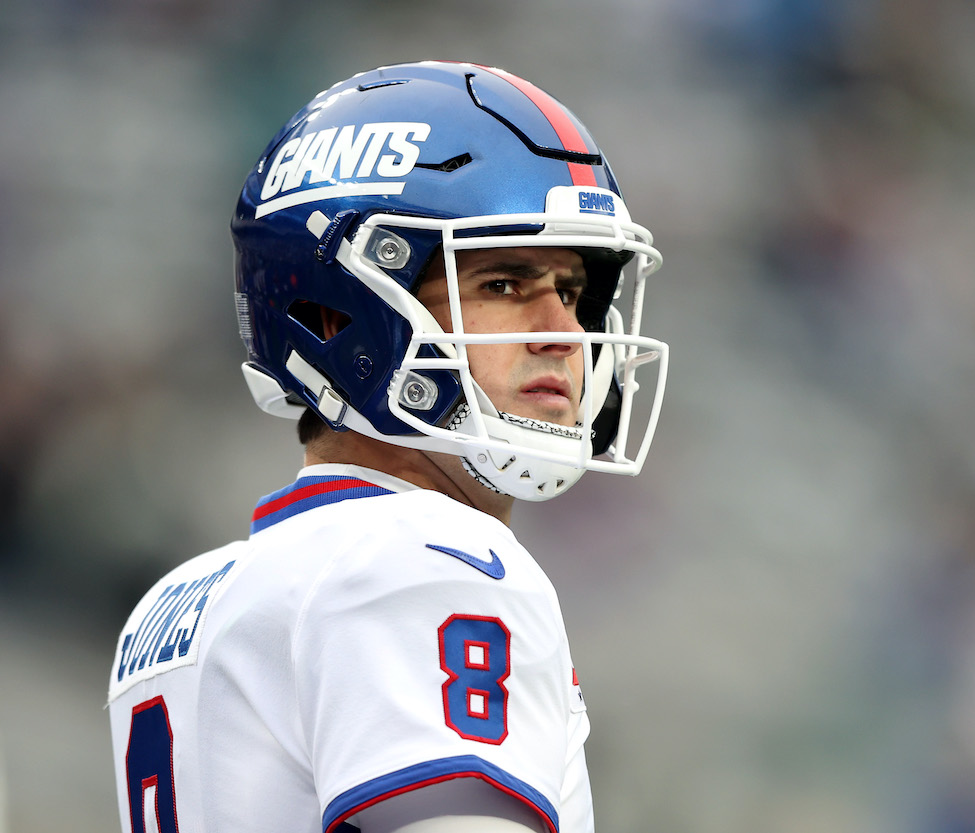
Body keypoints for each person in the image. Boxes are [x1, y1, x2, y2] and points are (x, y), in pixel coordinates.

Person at [105, 60, 668, 833]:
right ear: (339, 315)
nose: (565, 334)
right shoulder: (430, 555)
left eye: (570, 291)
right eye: (503, 283)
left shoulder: (177, 604)